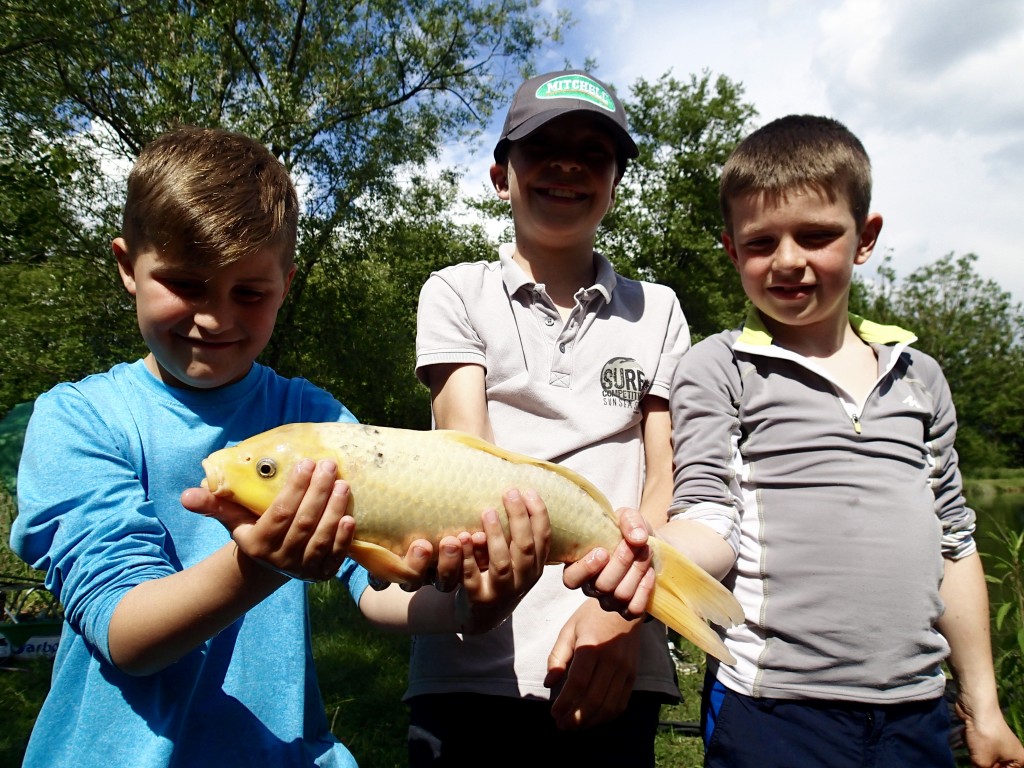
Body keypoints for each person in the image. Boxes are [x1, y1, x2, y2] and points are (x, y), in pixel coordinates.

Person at [8, 125, 648, 768]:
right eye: (185, 284)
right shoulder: (79, 419)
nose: (215, 318)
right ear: (127, 266)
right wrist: (259, 565)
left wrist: (474, 606)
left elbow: (378, 588)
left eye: (249, 293)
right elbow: (126, 635)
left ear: (285, 283)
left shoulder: (313, 417)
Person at [659, 114, 1024, 768]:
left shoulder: (920, 377)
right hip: (773, 707)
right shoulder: (719, 366)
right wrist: (650, 556)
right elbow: (706, 511)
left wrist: (984, 704)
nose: (789, 260)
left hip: (921, 711)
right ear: (732, 250)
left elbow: (954, 542)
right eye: (761, 242)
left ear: (865, 237)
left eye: (818, 235)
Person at [410, 70, 691, 766]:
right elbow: (466, 460)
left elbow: (668, 477)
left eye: (593, 153)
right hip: (470, 664)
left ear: (616, 180)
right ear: (502, 175)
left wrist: (622, 612)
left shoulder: (659, 311)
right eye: (542, 148)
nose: (568, 165)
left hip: (616, 661)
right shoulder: (455, 292)